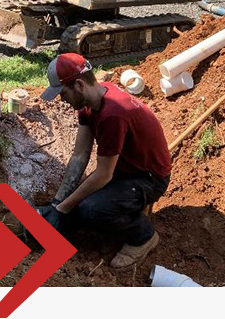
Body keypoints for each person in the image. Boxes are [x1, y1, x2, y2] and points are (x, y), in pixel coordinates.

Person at [37, 52, 171, 269]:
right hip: (124, 170)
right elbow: (80, 155)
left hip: (149, 178)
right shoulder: (90, 103)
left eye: (63, 94)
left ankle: (143, 236)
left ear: (79, 85)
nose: (62, 100)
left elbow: (103, 174)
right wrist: (57, 203)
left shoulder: (113, 114)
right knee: (77, 205)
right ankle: (125, 205)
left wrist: (63, 209)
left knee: (92, 209)